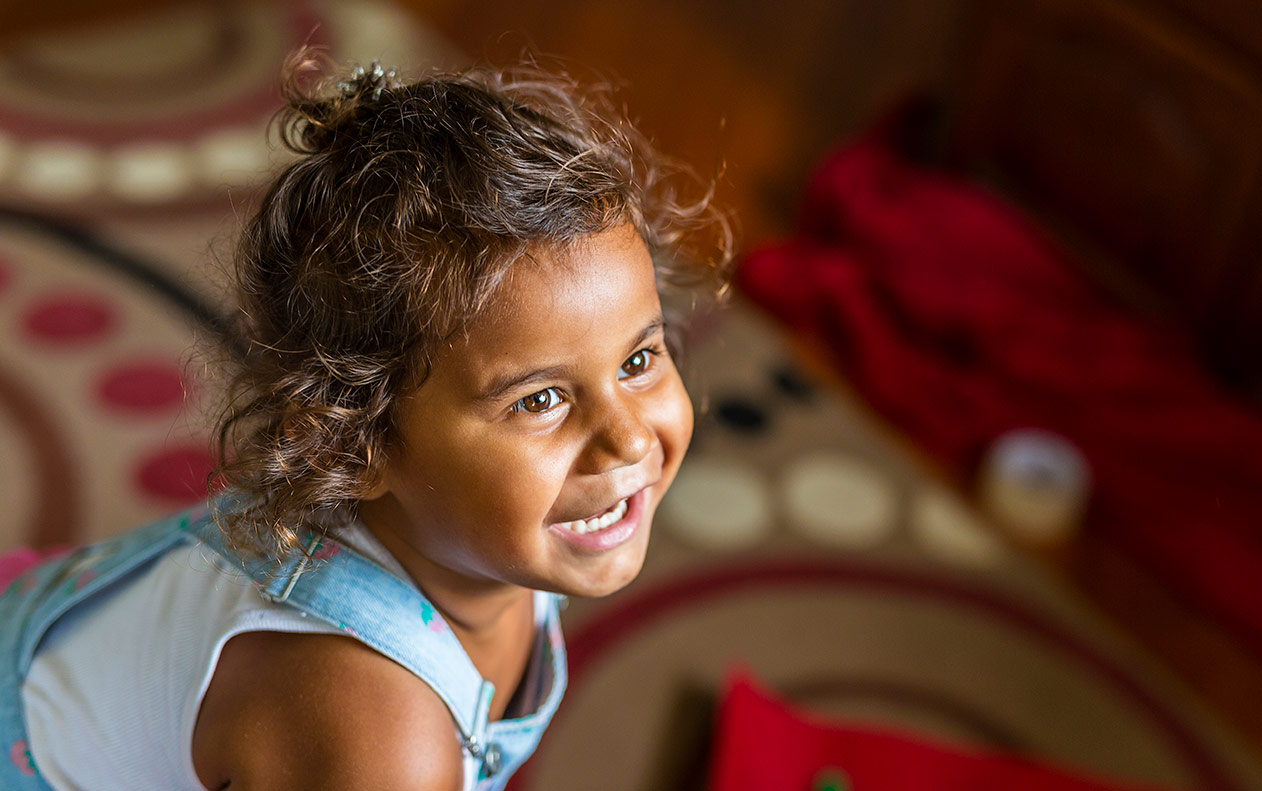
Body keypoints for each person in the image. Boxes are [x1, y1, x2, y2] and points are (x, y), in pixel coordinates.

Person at [0, 49, 731, 791]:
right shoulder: (375, 738)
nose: (629, 437)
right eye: (538, 400)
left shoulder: (488, 533)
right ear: (356, 442)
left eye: (638, 361)